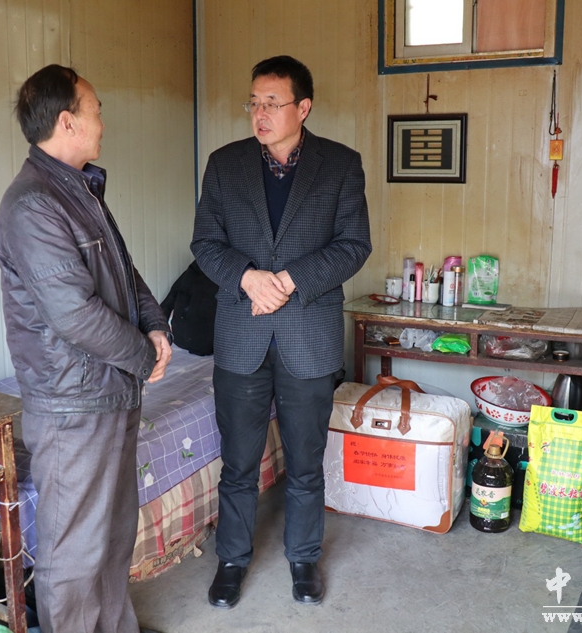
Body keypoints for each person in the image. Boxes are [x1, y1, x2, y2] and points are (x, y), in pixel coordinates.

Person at [0, 64, 171, 633]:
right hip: (73, 404)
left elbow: (123, 270)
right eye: (96, 110)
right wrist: (143, 358)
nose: (102, 122)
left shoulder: (78, 189)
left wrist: (156, 325)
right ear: (68, 121)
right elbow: (74, 313)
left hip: (108, 391)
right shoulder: (32, 205)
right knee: (74, 554)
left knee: (113, 538)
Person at [191, 55, 372, 608]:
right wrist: (248, 277)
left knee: (306, 461)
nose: (260, 113)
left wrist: (289, 281)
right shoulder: (224, 164)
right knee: (239, 463)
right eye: (254, 103)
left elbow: (354, 245)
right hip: (241, 335)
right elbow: (205, 243)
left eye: (272, 102)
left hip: (308, 335)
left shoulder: (340, 164)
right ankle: (231, 560)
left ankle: (303, 558)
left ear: (304, 107)